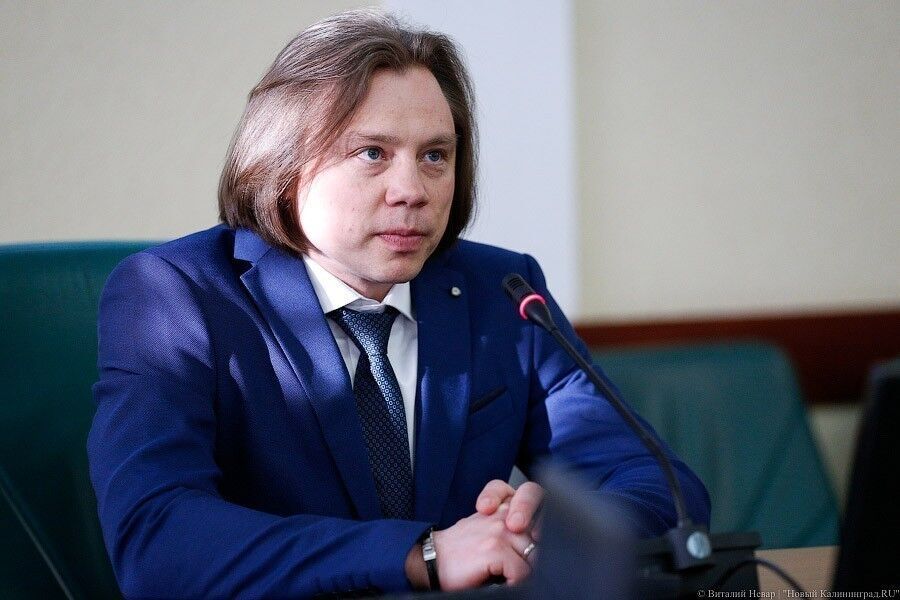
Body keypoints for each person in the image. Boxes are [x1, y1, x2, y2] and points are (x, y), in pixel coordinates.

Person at [87, 9, 709, 599]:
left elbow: (663, 485)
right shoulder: (175, 296)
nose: (412, 190)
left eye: (435, 155)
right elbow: (156, 538)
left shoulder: (504, 291)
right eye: (372, 153)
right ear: (283, 161)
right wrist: (420, 554)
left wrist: (557, 533)